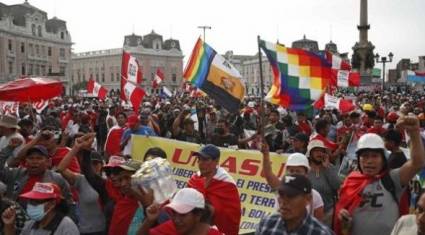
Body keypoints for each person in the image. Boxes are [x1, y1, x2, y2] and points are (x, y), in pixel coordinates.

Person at [334, 115, 425, 235]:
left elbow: (417, 163)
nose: (369, 161)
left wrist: (414, 132)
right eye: (365, 156)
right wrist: (342, 214)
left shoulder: (393, 178)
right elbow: (341, 207)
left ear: (383, 159)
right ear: (358, 160)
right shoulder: (351, 180)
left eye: (375, 156)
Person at [56, 133, 107, 235]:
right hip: (85, 231)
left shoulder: (108, 182)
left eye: (96, 163)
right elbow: (61, 168)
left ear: (102, 165)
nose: (92, 166)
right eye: (90, 163)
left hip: (105, 231)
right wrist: (76, 147)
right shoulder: (81, 180)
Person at [261, 143, 325, 221]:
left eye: (298, 171)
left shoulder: (315, 196)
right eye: (291, 171)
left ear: (306, 173)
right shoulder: (280, 188)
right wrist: (266, 155)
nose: (294, 174)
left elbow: (318, 224)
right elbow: (268, 174)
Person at [188, 144, 241, 235]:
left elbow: (231, 217)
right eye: (199, 159)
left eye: (205, 159)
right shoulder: (195, 179)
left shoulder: (227, 184)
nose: (201, 163)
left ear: (216, 161)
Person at [255, 175, 333, 235]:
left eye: (291, 196)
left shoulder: (321, 233)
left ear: (307, 199)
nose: (284, 202)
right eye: (281, 195)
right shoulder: (266, 224)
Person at [2, 182, 79, 235]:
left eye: (36, 202)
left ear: (52, 204)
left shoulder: (66, 226)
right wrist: (9, 225)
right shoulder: (30, 224)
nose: (31, 205)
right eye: (30, 201)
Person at [138, 188, 223, 235]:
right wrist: (149, 221)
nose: (176, 220)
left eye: (183, 214)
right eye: (174, 213)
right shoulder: (169, 227)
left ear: (198, 215)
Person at [108, 160, 153, 235]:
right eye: (121, 179)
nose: (123, 184)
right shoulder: (122, 205)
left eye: (127, 178)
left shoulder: (156, 205)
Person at [306, 140, 341, 226]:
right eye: (316, 151)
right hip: (308, 215)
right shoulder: (305, 169)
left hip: (328, 214)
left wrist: (327, 168)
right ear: (310, 154)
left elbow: (337, 185)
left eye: (321, 151)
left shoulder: (329, 167)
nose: (319, 153)